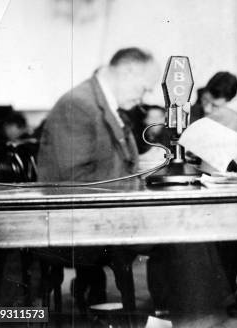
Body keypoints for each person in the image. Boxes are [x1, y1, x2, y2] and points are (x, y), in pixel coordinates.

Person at [36, 47, 160, 310]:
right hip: (79, 224)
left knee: (181, 231)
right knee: (180, 234)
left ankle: (172, 314)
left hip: (103, 214)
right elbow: (71, 182)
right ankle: (189, 316)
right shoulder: (78, 105)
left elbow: (110, 164)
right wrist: (137, 178)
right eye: (145, 87)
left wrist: (144, 166)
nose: (144, 98)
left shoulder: (101, 102)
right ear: (128, 72)